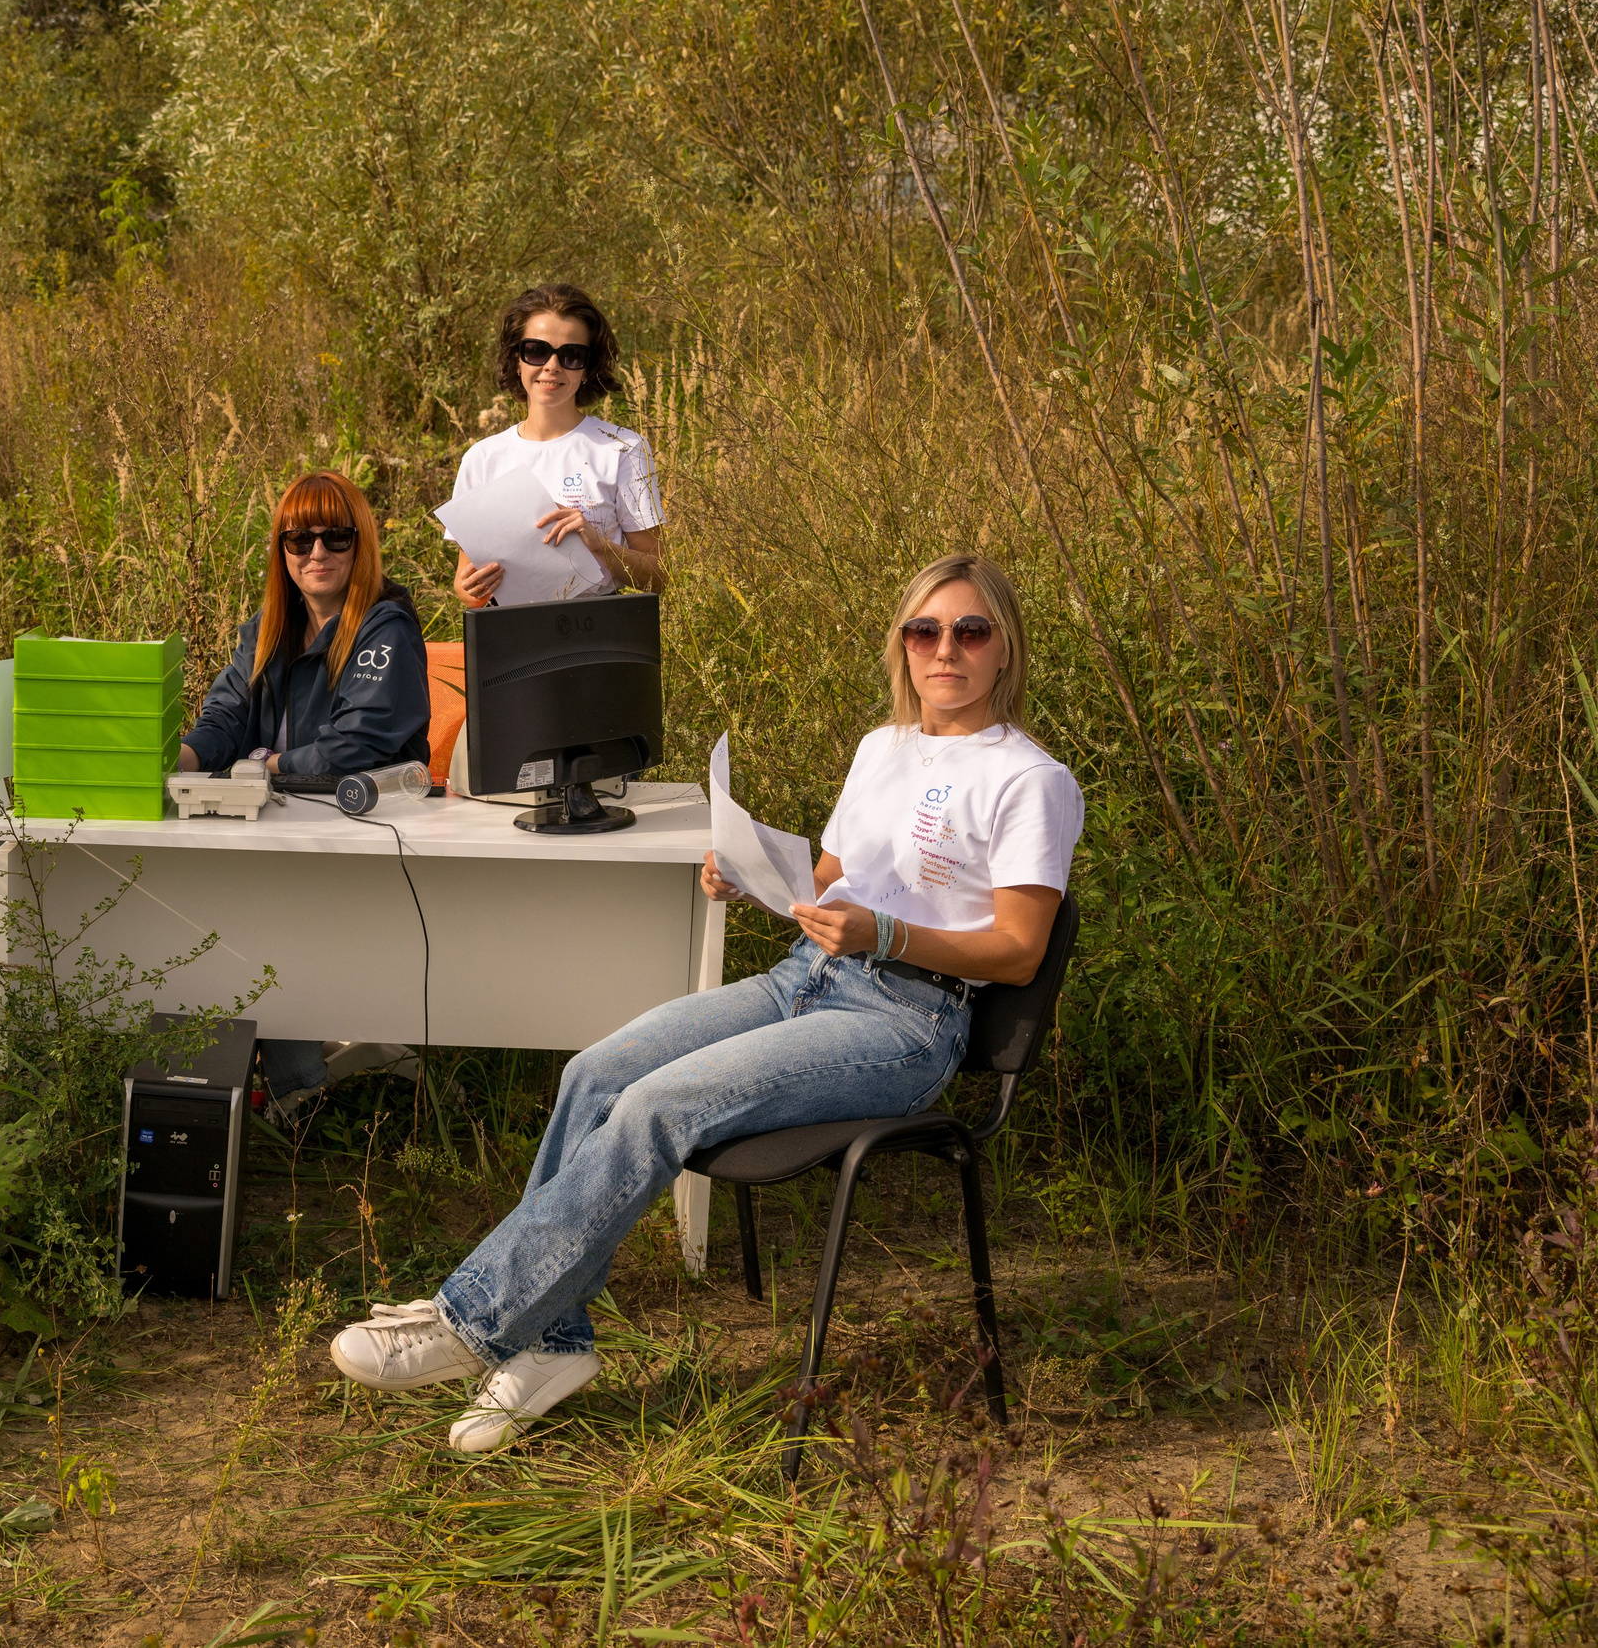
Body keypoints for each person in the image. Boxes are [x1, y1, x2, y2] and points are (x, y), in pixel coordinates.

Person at [328, 553, 1084, 1452]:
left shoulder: (1032, 780)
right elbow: (836, 879)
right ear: (903, 645)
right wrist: (757, 874)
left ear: (1005, 649)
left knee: (658, 1104)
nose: (945, 650)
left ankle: (470, 1322)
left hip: (906, 1022)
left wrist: (887, 937)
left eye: (970, 631)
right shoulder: (884, 749)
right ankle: (557, 1344)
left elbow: (1018, 947)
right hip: (805, 977)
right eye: (925, 630)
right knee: (597, 1071)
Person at [179, 470, 433, 1123]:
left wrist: (262, 767)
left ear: (361, 543)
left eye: (335, 536)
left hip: (367, 839)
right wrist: (181, 758)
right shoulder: (268, 626)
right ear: (281, 551)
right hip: (282, 834)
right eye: (298, 539)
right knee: (214, 902)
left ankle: (301, 1098)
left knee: (253, 912)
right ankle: (266, 1089)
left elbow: (358, 744)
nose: (316, 552)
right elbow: (225, 716)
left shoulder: (386, 627)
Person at [450, 284, 666, 608]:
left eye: (571, 355)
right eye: (536, 350)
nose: (552, 366)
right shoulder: (482, 458)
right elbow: (466, 589)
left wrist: (599, 545)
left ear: (588, 368)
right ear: (517, 359)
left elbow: (658, 576)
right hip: (509, 632)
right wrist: (473, 588)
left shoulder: (623, 448)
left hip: (597, 627)